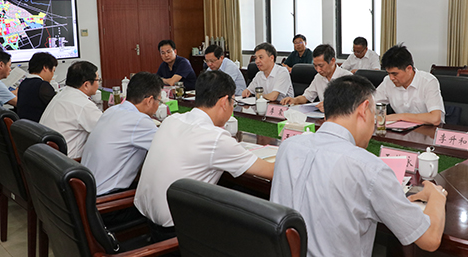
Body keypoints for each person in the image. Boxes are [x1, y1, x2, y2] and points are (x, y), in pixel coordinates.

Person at [271, 75, 447, 257]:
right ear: (364, 110)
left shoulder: (289, 147)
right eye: (375, 115)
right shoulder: (367, 166)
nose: (374, 126)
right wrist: (436, 196)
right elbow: (430, 240)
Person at [134, 70, 275, 241]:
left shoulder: (172, 120)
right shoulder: (214, 138)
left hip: (147, 221)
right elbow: (270, 172)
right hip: (178, 233)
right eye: (233, 102)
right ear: (224, 102)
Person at [81, 72, 162, 226]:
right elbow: (167, 149)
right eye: (159, 100)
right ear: (150, 100)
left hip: (87, 196)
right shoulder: (139, 120)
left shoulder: (112, 110)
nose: (158, 105)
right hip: (108, 206)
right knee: (164, 203)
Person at [39, 61, 103, 159]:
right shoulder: (83, 105)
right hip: (68, 162)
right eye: (98, 80)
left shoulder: (61, 94)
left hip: (47, 158)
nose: (98, 83)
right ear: (86, 85)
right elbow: (107, 131)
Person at [374, 44, 445, 125]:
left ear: (409, 69)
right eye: (388, 73)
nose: (391, 78)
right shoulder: (388, 81)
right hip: (402, 129)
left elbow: (435, 118)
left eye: (395, 74)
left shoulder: (428, 81)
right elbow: (370, 104)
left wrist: (400, 116)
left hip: (429, 129)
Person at [280, 44, 352, 112]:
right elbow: (307, 96)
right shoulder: (318, 77)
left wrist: (331, 106)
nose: (318, 70)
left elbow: (351, 104)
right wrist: (294, 100)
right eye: (315, 66)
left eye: (321, 66)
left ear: (332, 61)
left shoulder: (347, 77)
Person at [16, 52, 58, 122]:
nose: (52, 75)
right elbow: (57, 106)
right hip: (41, 125)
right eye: (53, 71)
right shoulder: (42, 85)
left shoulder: (23, 83)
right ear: (45, 68)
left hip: (27, 126)